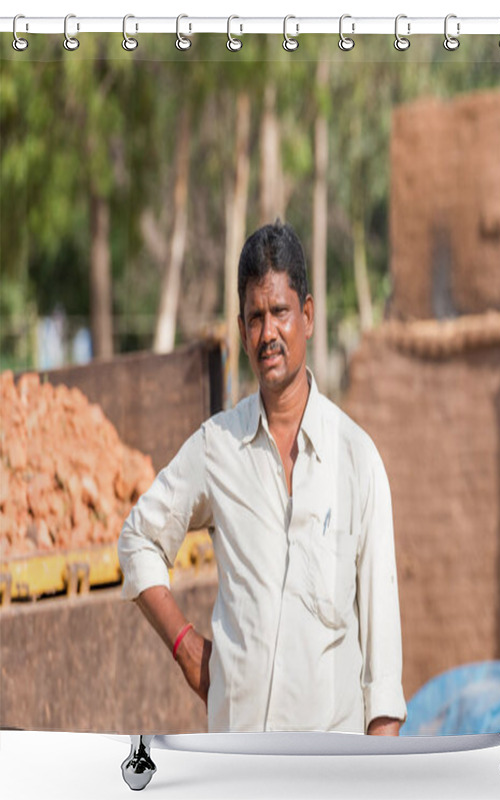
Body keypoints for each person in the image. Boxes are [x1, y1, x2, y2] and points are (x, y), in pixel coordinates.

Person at [118, 221, 406, 735]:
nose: (268, 333)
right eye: (255, 318)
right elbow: (138, 538)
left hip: (330, 773)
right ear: (242, 330)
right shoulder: (217, 447)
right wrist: (186, 648)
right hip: (238, 766)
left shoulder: (357, 459)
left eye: (280, 313)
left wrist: (378, 775)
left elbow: (382, 672)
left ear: (308, 315)